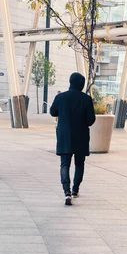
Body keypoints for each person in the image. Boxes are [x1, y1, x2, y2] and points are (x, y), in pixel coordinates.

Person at [50, 73, 96, 206]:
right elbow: (91, 120)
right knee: (79, 164)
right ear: (81, 84)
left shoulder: (61, 97)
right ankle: (75, 189)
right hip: (81, 135)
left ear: (70, 82)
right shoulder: (86, 99)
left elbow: (53, 112)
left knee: (65, 164)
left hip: (64, 135)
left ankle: (66, 192)